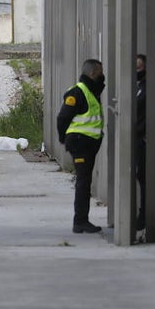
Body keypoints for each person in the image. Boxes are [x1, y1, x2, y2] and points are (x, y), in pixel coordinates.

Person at [57, 58, 105, 234]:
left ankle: (82, 220)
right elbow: (62, 118)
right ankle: (80, 221)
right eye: (100, 73)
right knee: (83, 182)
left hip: (87, 144)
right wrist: (63, 139)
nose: (103, 76)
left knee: (85, 181)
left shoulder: (91, 92)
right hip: (80, 143)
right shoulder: (78, 92)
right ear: (93, 73)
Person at [134, 54, 147, 230]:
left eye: (139, 68)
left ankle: (143, 216)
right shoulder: (136, 87)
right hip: (136, 138)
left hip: (142, 139)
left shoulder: (146, 88)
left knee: (143, 178)